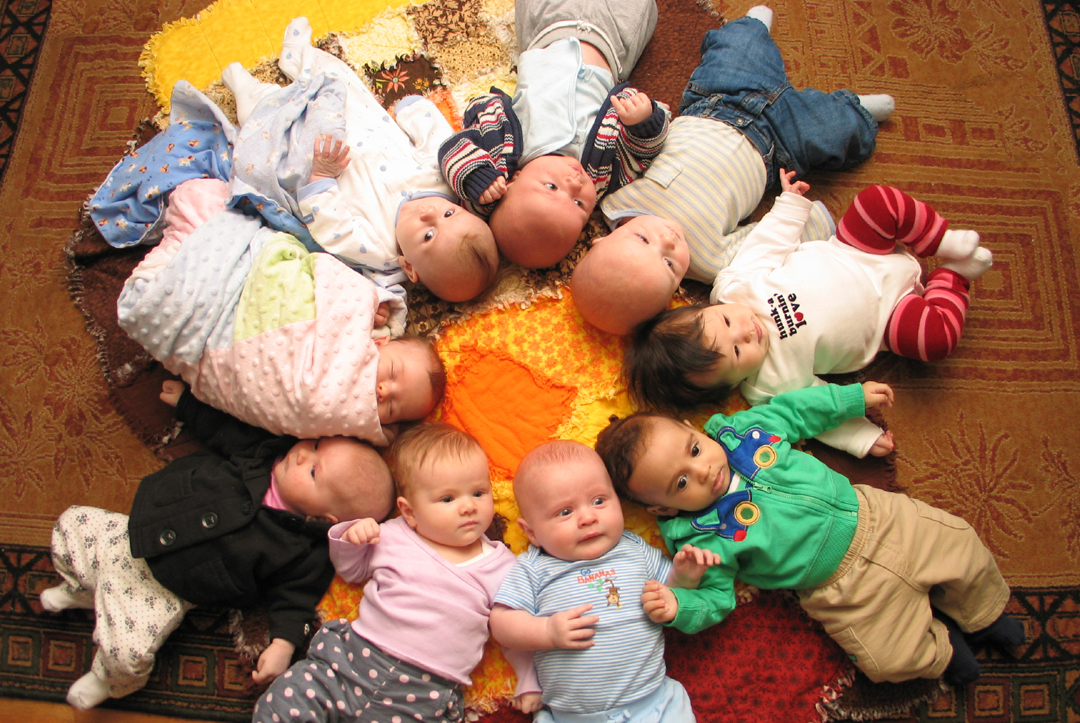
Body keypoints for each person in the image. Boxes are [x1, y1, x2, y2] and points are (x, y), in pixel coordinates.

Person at [594, 382, 1026, 687]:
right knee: (885, 660)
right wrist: (679, 605)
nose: (703, 470)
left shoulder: (745, 432)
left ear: (694, 428)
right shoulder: (701, 542)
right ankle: (943, 649)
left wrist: (850, 399)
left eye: (693, 449)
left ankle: (982, 615)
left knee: (961, 545)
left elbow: (797, 411)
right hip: (839, 589)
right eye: (681, 482)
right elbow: (716, 600)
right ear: (663, 509)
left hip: (881, 518)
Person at [41, 381, 396, 710]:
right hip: (141, 527)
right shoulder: (264, 452)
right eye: (316, 446)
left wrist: (283, 645)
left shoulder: (305, 553)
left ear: (324, 518)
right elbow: (223, 431)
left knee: (126, 652)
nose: (303, 455)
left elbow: (296, 602)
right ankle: (83, 588)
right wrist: (187, 404)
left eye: (314, 472)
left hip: (167, 588)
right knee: (70, 525)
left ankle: (109, 681)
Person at [570, 5, 896, 335]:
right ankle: (855, 110)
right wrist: (799, 213)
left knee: (738, 48)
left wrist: (640, 121)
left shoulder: (615, 198)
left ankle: (754, 27)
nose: (667, 240)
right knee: (836, 132)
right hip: (776, 147)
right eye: (669, 264)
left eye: (643, 239)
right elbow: (761, 245)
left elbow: (634, 149)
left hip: (714, 102)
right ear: (674, 296)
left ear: (601, 240)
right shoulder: (710, 262)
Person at [624, 176, 992, 458]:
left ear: (708, 307)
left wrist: (789, 205)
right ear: (730, 384)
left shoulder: (734, 288)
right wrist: (861, 435)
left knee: (877, 201)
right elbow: (815, 410)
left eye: (726, 322)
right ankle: (952, 278)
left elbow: (767, 245)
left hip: (857, 251)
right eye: (736, 352)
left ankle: (940, 240)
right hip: (891, 318)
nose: (745, 332)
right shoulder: (769, 383)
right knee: (935, 339)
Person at [251, 422, 540, 723]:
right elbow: (351, 571)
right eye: (447, 499)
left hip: (423, 693)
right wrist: (352, 538)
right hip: (351, 663)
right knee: (282, 704)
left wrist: (528, 679)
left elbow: (513, 630)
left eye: (479, 493)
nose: (468, 507)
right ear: (409, 512)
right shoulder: (392, 535)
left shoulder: (502, 566)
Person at [223, 17, 499, 306]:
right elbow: (440, 142)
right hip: (355, 116)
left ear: (409, 267)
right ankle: (300, 56)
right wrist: (416, 112)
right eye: (449, 214)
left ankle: (250, 93)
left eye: (428, 235)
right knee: (342, 81)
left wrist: (321, 175)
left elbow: (333, 227)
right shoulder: (444, 183)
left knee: (272, 140)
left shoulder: (379, 249)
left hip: (317, 153)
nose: (429, 213)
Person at [490, 440, 718, 721]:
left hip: (654, 703)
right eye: (565, 512)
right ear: (532, 532)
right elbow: (501, 622)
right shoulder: (534, 567)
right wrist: (546, 631)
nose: (588, 517)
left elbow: (669, 597)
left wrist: (684, 576)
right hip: (572, 716)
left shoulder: (635, 549)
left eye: (599, 501)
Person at [438, 0, 669, 269]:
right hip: (612, 44)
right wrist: (642, 122)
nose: (574, 184)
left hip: (546, 27)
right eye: (579, 204)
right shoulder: (601, 175)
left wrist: (477, 177)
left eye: (552, 187)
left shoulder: (504, 151)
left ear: (515, 181)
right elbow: (642, 153)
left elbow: (455, 143)